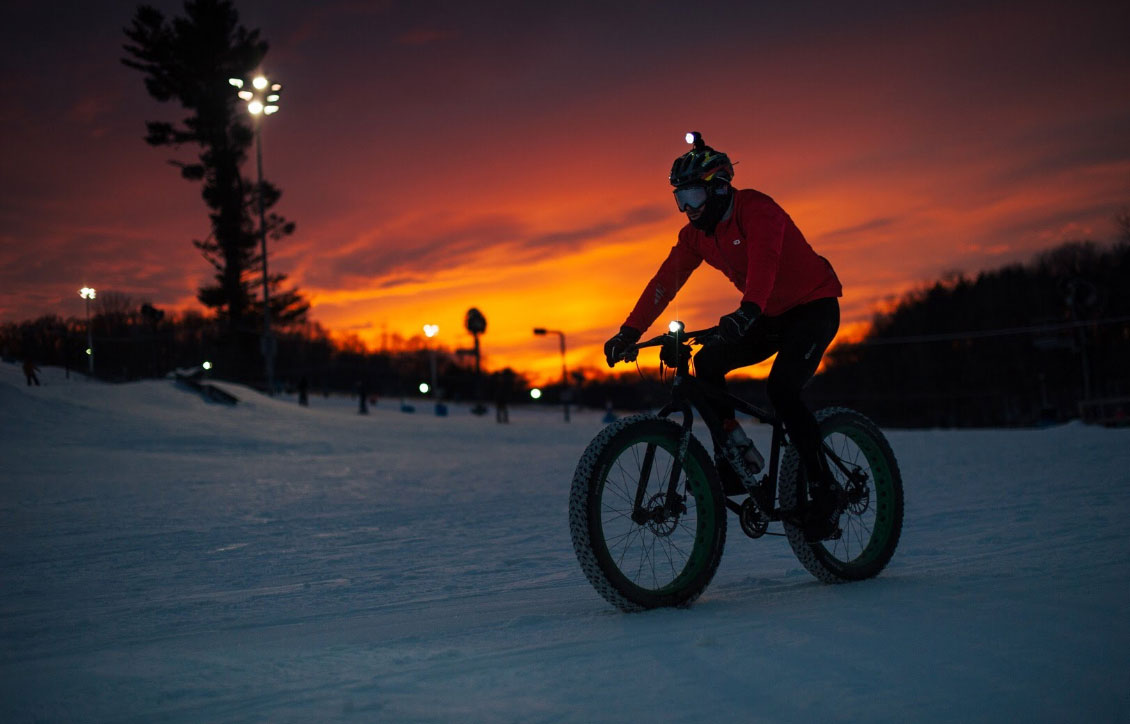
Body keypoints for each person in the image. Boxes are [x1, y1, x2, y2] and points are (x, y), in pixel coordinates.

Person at [603, 132, 843, 541]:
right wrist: (630, 331)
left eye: (693, 196)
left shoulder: (756, 208)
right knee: (707, 362)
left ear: (718, 187)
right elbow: (664, 282)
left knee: (782, 390)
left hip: (812, 307)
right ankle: (734, 456)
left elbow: (765, 260)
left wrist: (747, 310)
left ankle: (825, 489)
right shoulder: (695, 236)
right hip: (765, 312)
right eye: (680, 200)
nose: (688, 209)